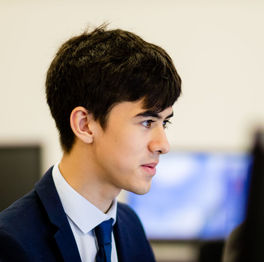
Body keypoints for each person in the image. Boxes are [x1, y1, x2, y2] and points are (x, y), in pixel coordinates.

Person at [0, 25, 181, 262]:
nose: (163, 145)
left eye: (164, 123)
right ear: (85, 125)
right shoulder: (11, 243)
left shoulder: (131, 227)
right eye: (147, 122)